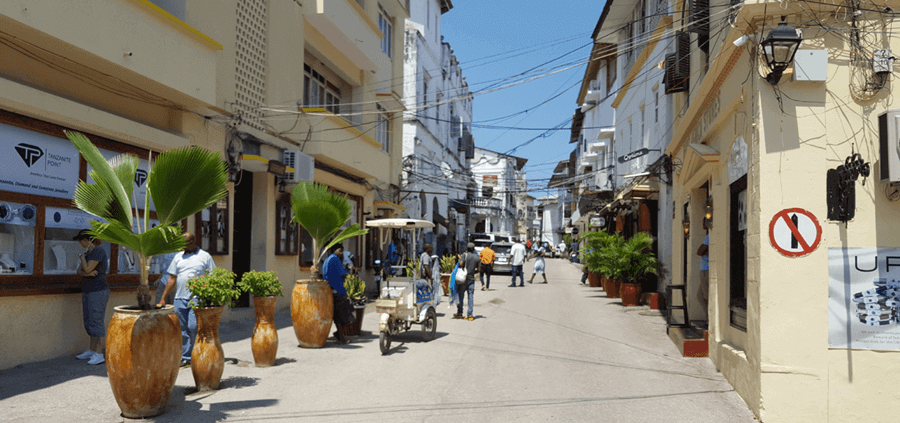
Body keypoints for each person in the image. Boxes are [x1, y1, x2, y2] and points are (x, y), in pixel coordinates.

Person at [158, 232, 216, 368]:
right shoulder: (178, 257)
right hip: (179, 298)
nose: (182, 247)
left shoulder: (204, 256)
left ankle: (198, 352)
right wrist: (162, 297)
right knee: (181, 329)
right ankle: (186, 358)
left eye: (184, 244)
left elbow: (212, 277)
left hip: (196, 299)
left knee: (193, 326)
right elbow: (172, 278)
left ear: (192, 242)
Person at [73, 229, 109, 365]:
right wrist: (87, 274)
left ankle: (99, 354)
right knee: (89, 321)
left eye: (81, 240)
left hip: (98, 291)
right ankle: (92, 349)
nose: (80, 243)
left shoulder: (98, 251)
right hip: (88, 290)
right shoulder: (89, 253)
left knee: (96, 320)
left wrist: (82, 259)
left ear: (87, 240)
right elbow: (79, 271)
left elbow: (86, 268)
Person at [323, 243, 354, 344]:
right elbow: (343, 275)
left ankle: (340, 335)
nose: (341, 253)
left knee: (337, 315)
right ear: (334, 250)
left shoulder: (327, 259)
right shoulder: (335, 259)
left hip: (330, 289)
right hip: (338, 289)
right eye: (340, 251)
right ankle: (341, 337)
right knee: (344, 315)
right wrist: (348, 271)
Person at [455, 242, 480, 320]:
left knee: (461, 296)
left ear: (467, 248)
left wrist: (459, 261)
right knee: (470, 297)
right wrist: (472, 272)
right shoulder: (477, 258)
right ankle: (470, 315)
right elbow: (479, 270)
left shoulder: (464, 255)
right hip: (471, 279)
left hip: (463, 279)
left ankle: (460, 313)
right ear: (473, 249)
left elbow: (461, 264)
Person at [697, 230, 710, 321]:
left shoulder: (709, 236)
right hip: (704, 269)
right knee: (700, 296)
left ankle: (710, 320)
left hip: (706, 269)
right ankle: (709, 317)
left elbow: (699, 251)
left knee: (706, 297)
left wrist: (704, 249)